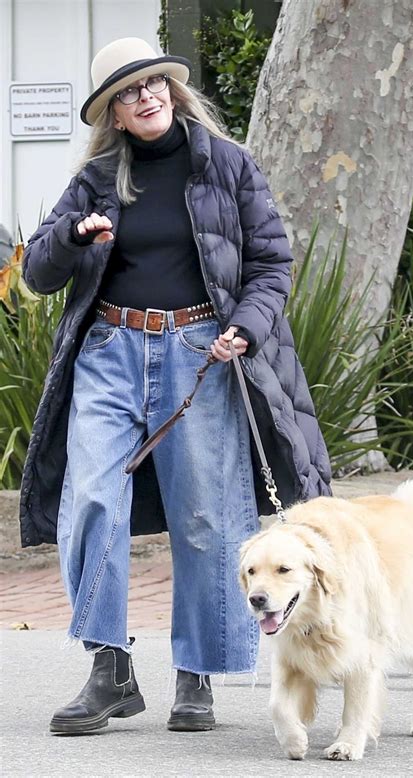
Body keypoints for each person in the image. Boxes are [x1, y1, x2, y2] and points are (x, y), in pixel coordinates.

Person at [20, 37, 332, 735]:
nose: (146, 96)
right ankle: (109, 668)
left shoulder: (227, 164)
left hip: (201, 349)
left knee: (205, 518)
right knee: (91, 497)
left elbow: (272, 263)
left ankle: (198, 676)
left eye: (154, 83)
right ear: (115, 115)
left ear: (172, 89)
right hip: (109, 349)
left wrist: (246, 328)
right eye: (129, 93)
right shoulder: (99, 176)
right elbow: (40, 271)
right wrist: (73, 236)